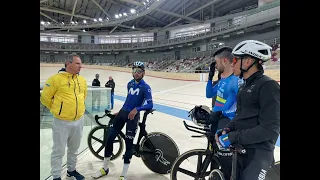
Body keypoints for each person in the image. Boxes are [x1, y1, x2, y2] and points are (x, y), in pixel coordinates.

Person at [215, 40, 280, 180]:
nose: (232, 64)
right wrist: (227, 129)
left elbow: (270, 130)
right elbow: (241, 116)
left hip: (258, 155)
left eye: (236, 59)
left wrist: (233, 137)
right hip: (241, 151)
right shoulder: (244, 87)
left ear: (248, 61)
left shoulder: (268, 86)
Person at [92, 61, 153, 180]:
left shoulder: (146, 87)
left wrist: (137, 109)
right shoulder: (129, 84)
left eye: (139, 71)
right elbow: (128, 100)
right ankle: (105, 169)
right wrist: (120, 111)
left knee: (128, 145)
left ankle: (123, 175)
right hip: (123, 114)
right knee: (109, 138)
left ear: (143, 73)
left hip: (132, 117)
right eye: (134, 71)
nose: (136, 73)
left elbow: (150, 104)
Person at [40, 54, 87, 180]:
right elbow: (45, 98)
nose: (80, 66)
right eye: (77, 63)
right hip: (61, 122)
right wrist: (57, 109)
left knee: (74, 149)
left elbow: (83, 96)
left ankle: (71, 170)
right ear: (68, 63)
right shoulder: (55, 79)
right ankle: (56, 176)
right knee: (58, 151)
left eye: (80, 63)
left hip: (79, 120)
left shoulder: (81, 80)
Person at [205, 46, 240, 180]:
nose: (216, 65)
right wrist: (210, 77)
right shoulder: (223, 80)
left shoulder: (235, 81)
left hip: (226, 121)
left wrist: (220, 112)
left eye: (217, 62)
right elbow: (209, 94)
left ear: (225, 61)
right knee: (213, 154)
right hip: (217, 119)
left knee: (225, 160)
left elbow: (236, 105)